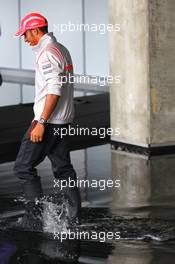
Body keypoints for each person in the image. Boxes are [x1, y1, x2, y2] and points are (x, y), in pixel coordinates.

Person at [14, 13, 81, 225]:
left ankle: (33, 220)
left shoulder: (47, 53)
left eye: (26, 34)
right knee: (63, 169)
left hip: (48, 122)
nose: (25, 39)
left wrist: (41, 122)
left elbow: (54, 89)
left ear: (35, 30)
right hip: (62, 120)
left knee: (23, 167)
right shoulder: (61, 49)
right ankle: (74, 218)